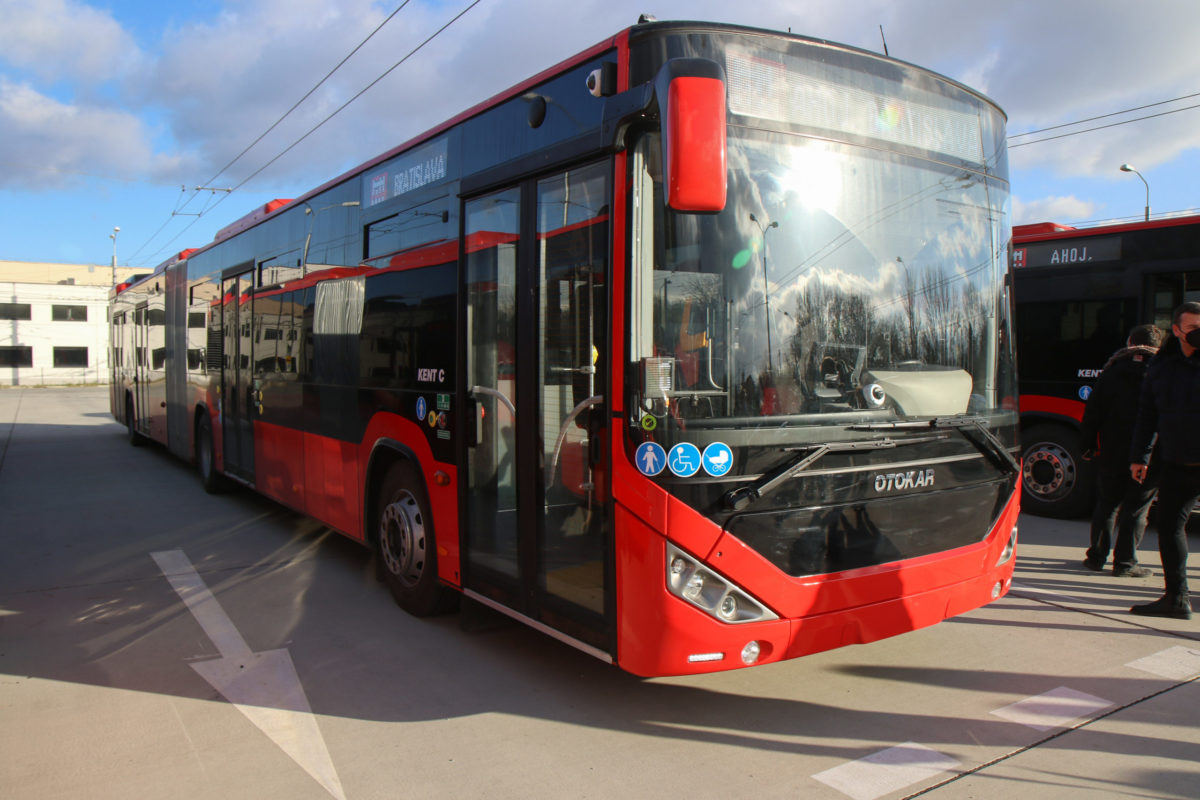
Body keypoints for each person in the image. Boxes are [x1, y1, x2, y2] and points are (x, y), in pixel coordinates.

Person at [1128, 302, 1200, 620]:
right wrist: (1140, 457)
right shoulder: (1162, 365)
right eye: (1193, 328)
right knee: (1170, 526)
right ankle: (1177, 598)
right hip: (1176, 461)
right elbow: (1147, 414)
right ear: (1176, 330)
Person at [1080, 324, 1163, 576]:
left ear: (1130, 342)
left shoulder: (1110, 372)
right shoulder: (1163, 373)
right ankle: (1125, 563)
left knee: (1107, 504)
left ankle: (1096, 557)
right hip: (1149, 454)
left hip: (1113, 451)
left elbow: (1092, 412)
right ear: (1158, 347)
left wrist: (1087, 445)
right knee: (1137, 508)